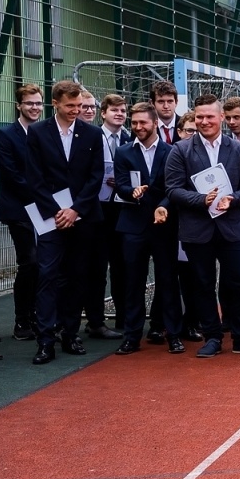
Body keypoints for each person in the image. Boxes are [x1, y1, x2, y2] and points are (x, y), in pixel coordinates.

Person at [162, 94, 240, 358]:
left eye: (210, 116)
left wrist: (232, 199)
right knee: (203, 284)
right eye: (199, 117)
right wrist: (201, 200)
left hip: (231, 228)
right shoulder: (180, 150)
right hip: (197, 230)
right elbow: (172, 189)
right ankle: (212, 337)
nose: (204, 121)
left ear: (221, 117)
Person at [26, 81, 103, 364]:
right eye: (70, 105)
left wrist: (75, 210)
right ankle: (46, 340)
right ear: (55, 103)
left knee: (77, 276)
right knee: (47, 275)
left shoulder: (92, 133)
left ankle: (70, 334)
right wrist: (58, 212)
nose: (76, 110)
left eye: (79, 105)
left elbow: (96, 176)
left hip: (83, 217)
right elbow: (34, 177)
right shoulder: (38, 132)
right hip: (50, 219)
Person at [112, 102, 183, 354]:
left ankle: (173, 335)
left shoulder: (171, 151)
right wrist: (131, 192)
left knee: (168, 281)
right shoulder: (123, 152)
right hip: (133, 225)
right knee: (133, 282)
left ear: (155, 123)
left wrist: (163, 206)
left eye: (143, 122)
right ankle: (132, 336)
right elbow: (120, 185)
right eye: (134, 123)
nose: (138, 127)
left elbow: (174, 186)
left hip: (164, 225)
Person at [0, 83, 43, 340]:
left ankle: (40, 318)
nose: (34, 107)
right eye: (29, 103)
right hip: (20, 209)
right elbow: (10, 174)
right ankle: (22, 320)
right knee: (30, 262)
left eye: (38, 103)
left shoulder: (46, 133)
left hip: (45, 209)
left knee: (45, 264)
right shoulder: (5, 135)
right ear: (18, 106)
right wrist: (40, 197)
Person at [84, 93, 130, 340]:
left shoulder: (130, 138)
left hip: (122, 209)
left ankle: (123, 317)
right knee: (97, 267)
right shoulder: (92, 137)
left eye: (123, 110)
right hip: (97, 209)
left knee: (122, 265)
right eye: (114, 110)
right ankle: (96, 320)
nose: (119, 114)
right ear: (103, 113)